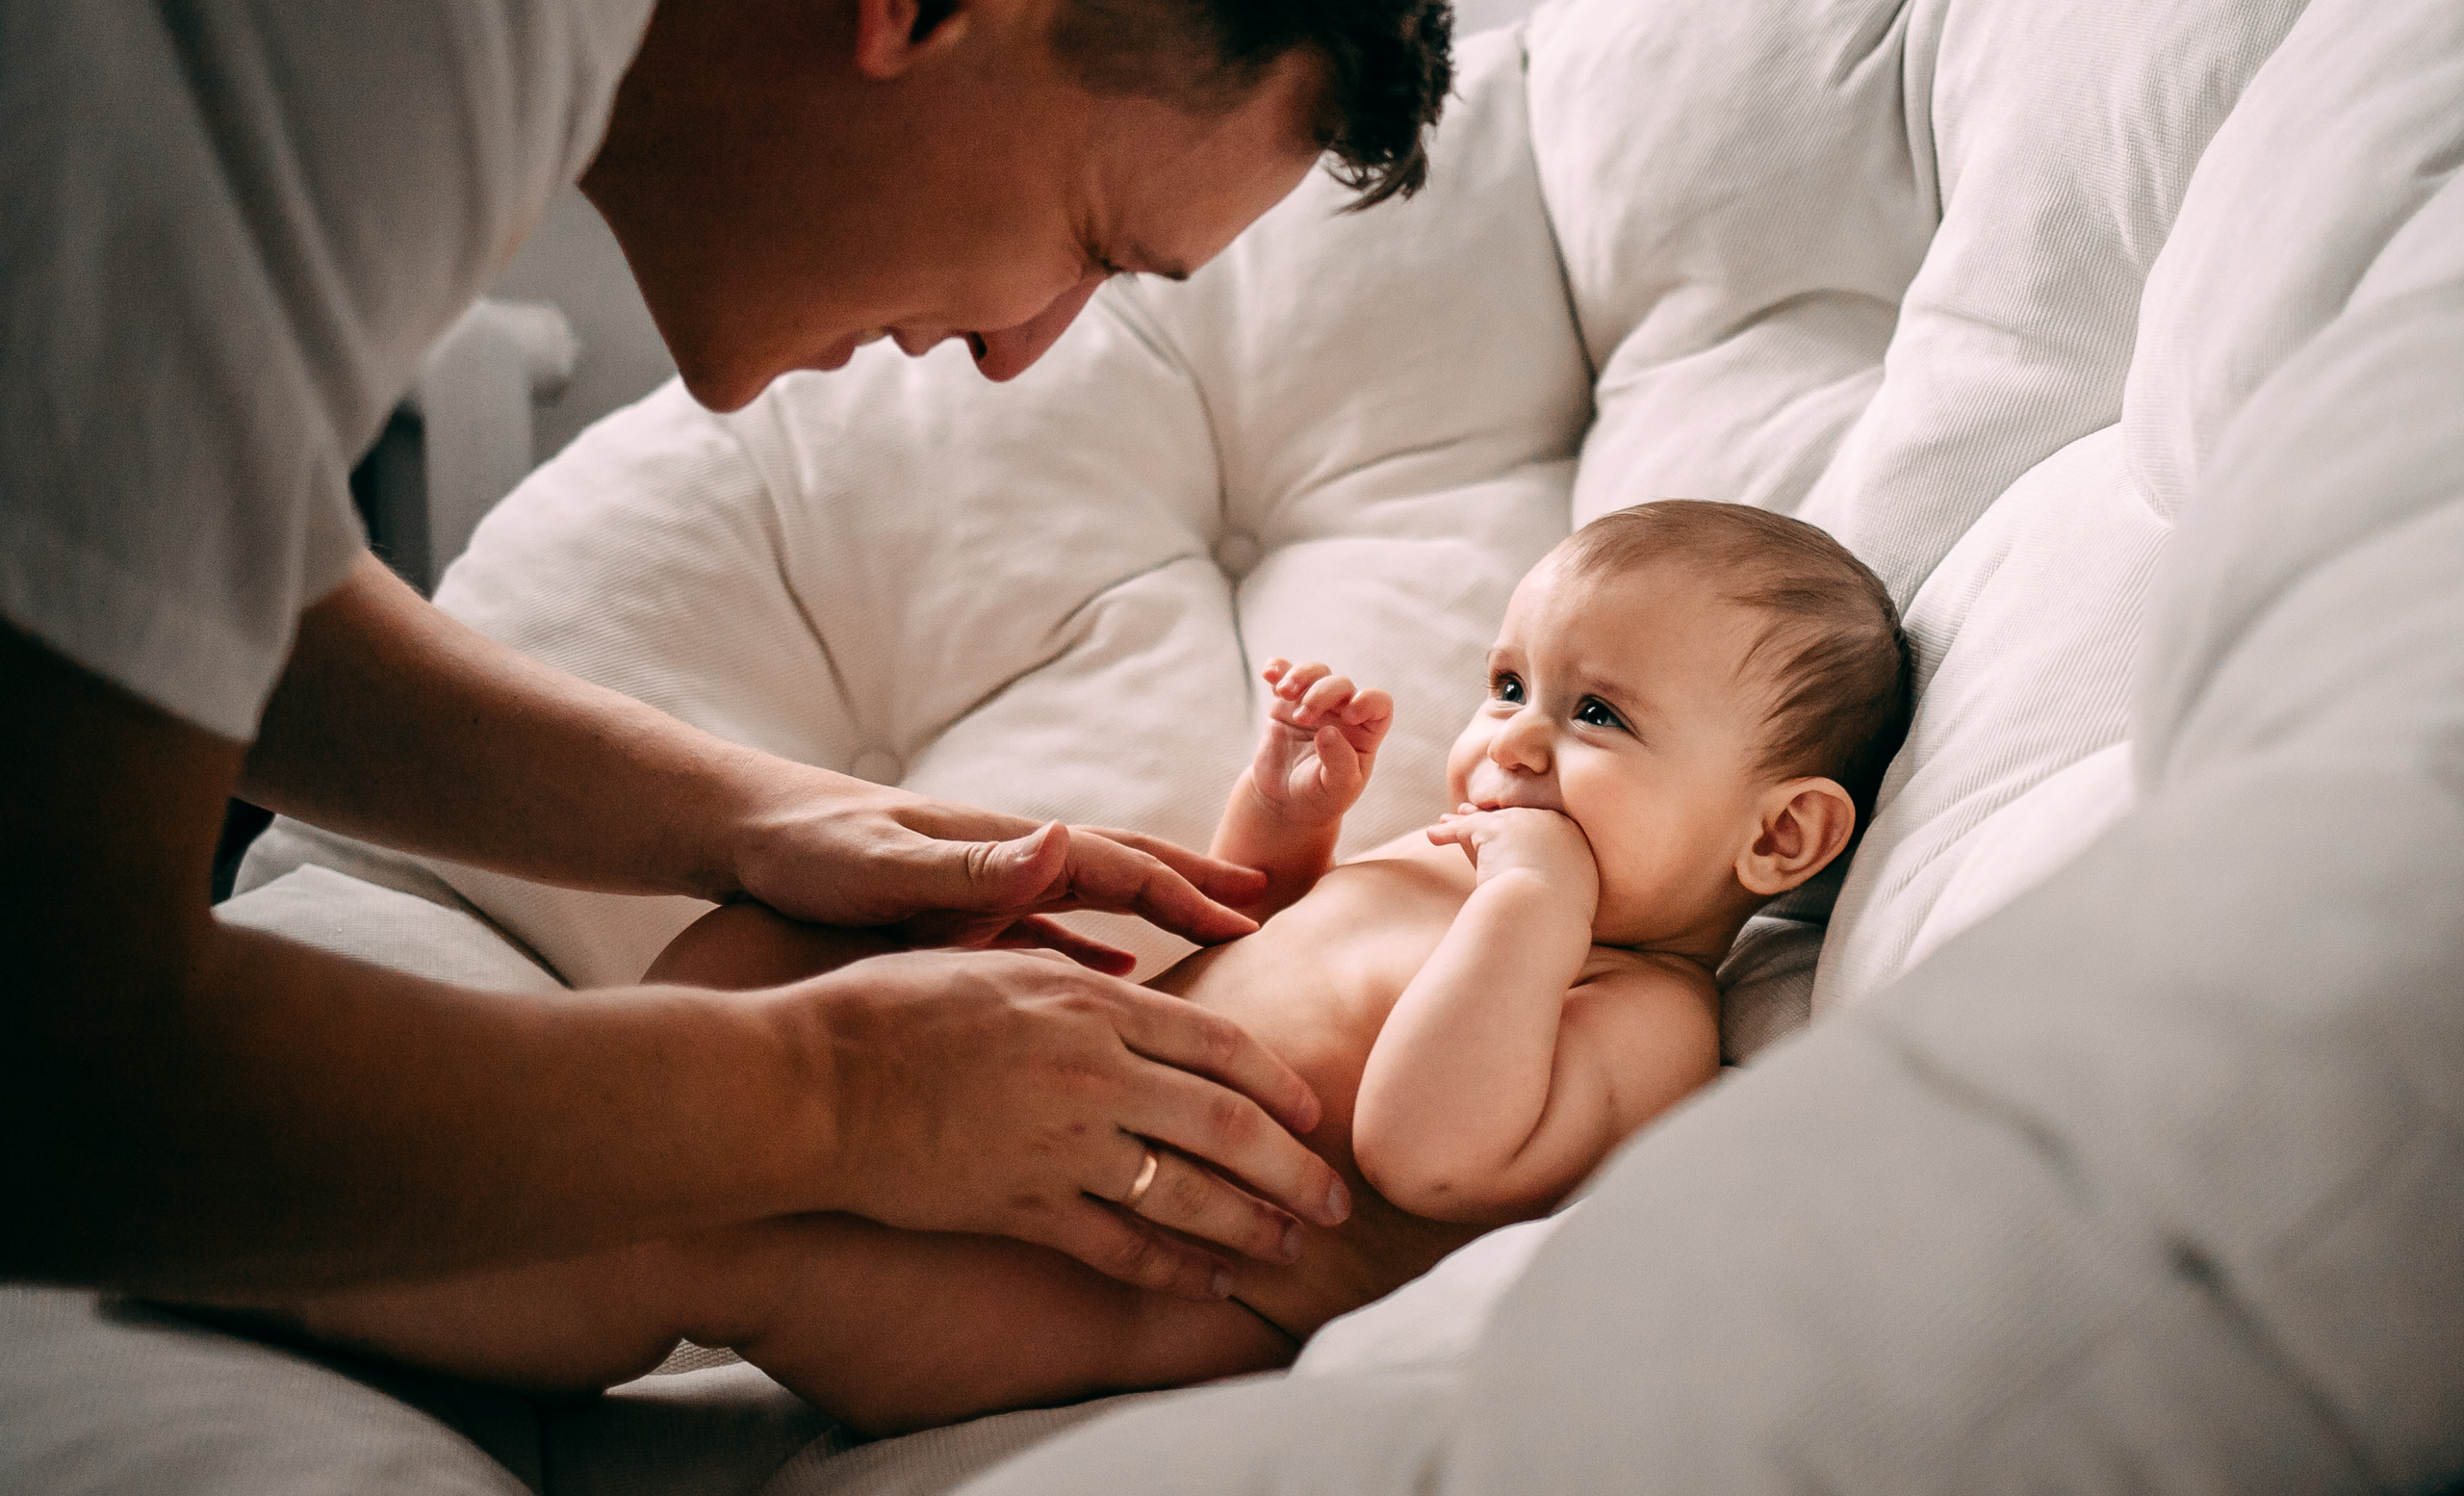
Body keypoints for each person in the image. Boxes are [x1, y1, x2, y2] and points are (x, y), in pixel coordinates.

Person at [0, 0, 1451, 1307]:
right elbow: (66, 1082)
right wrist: (857, 1094)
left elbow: (174, 589)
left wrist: (769, 820)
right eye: (1090, 246)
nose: (1021, 348)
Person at [267, 500, 1918, 1433]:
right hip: (1021, 1138)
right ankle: (556, 1155)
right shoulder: (1472, 873)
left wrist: (1529, 909)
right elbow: (1250, 943)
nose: (1509, 748)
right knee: (788, 937)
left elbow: (1424, 1143)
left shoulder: (1638, 1013)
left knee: (727, 1237)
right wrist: (1284, 823)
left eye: (1597, 717)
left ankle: (311, 1254)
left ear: (1777, 842)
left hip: (1133, 1297)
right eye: (1504, 685)